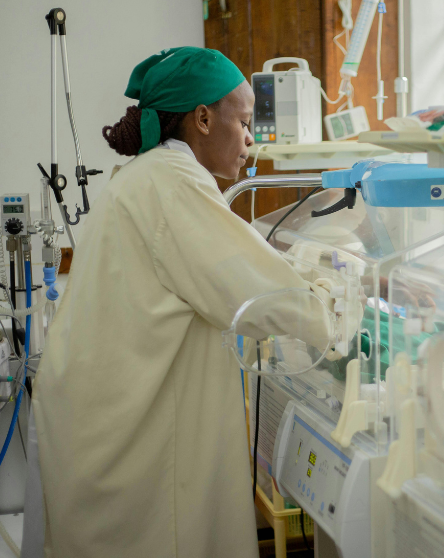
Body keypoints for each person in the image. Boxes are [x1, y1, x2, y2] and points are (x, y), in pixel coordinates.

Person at [25, 47, 332, 558]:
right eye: (245, 121)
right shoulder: (172, 184)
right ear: (204, 118)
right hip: (128, 445)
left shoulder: (145, 178)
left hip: (98, 422)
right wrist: (335, 307)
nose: (252, 138)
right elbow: (262, 297)